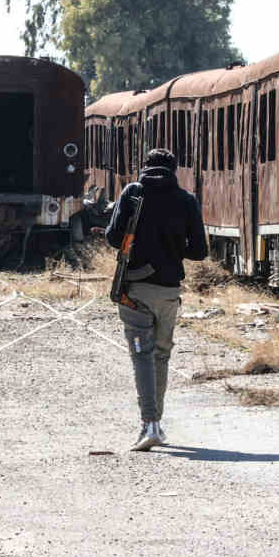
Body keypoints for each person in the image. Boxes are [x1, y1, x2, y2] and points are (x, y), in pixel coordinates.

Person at [105, 148, 207, 451]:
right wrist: (172, 247)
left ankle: (149, 424)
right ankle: (156, 424)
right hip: (169, 293)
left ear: (145, 167)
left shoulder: (133, 192)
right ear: (174, 170)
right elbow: (199, 251)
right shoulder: (186, 200)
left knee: (142, 356)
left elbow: (113, 237)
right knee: (160, 356)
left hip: (135, 291)